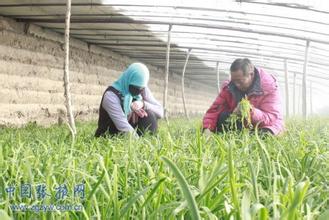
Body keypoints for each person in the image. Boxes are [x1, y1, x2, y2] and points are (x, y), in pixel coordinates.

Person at [203, 58, 284, 135]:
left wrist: (251, 112)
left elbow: (271, 118)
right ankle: (242, 133)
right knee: (222, 117)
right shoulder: (229, 87)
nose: (236, 85)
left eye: (240, 81)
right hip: (241, 123)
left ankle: (248, 134)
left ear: (251, 74)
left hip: (264, 125)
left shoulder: (269, 87)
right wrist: (207, 128)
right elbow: (215, 109)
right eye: (234, 80)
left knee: (265, 134)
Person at [95, 63, 163, 138]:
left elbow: (160, 112)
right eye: (135, 87)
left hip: (131, 132)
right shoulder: (111, 96)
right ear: (129, 79)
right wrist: (140, 145)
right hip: (111, 134)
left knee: (149, 115)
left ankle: (150, 140)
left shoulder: (142, 88)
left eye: (141, 88)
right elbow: (123, 126)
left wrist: (143, 104)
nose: (138, 90)